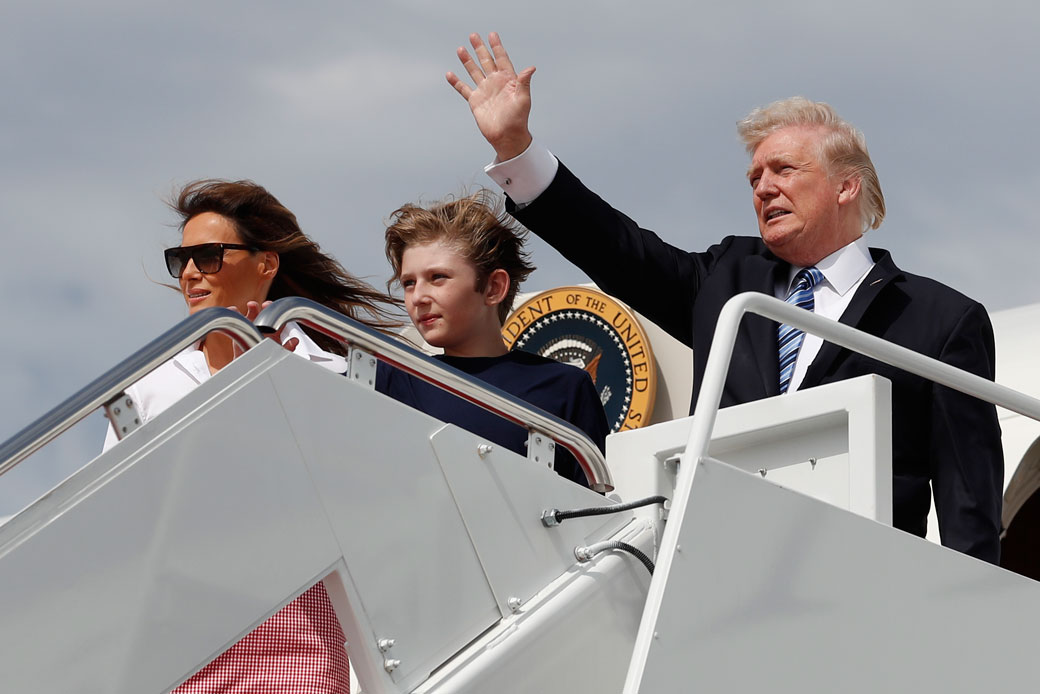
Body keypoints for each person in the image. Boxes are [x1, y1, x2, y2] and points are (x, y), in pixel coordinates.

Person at [445, 33, 1003, 562]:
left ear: (846, 185)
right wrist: (517, 149)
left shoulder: (940, 321)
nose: (762, 187)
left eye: (784, 169)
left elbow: (970, 509)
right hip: (718, 573)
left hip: (862, 587)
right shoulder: (727, 280)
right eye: (754, 177)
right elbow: (616, 248)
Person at [104, 179, 398, 693]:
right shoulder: (145, 389)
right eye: (182, 259)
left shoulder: (334, 375)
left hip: (299, 625)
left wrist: (261, 395)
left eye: (210, 255)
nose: (191, 272)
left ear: (266, 265)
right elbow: (119, 521)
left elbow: (355, 506)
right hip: (180, 633)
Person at [375, 190, 608, 488]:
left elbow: (596, 515)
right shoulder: (390, 380)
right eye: (409, 283)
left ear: (494, 287)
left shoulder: (565, 388)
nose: (418, 297)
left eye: (438, 277)